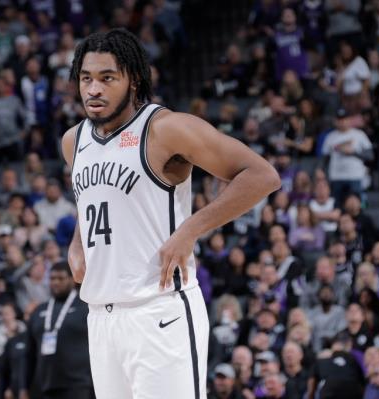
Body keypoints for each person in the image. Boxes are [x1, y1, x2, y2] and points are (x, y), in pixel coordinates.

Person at [62, 28, 280, 399]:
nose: (93, 90)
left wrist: (191, 229)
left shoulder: (166, 129)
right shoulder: (74, 141)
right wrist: (78, 242)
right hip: (101, 316)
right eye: (86, 79)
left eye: (106, 78)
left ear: (133, 80)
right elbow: (98, 200)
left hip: (159, 311)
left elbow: (262, 176)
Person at [27, 261, 93, 399]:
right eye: (52, 278)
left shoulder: (86, 307)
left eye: (60, 278)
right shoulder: (40, 310)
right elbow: (29, 352)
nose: (56, 282)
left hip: (79, 384)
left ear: (72, 279)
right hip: (45, 385)